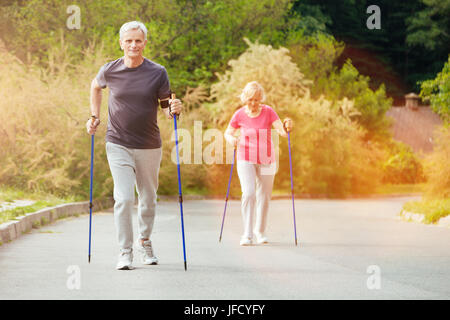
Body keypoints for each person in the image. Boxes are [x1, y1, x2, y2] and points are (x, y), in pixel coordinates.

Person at [86, 21, 182, 270]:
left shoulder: (157, 72)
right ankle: (125, 251)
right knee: (124, 198)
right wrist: (94, 116)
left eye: (138, 40)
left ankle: (145, 240)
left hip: (149, 145)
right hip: (117, 143)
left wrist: (175, 109)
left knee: (148, 199)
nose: (133, 45)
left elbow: (165, 106)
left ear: (145, 43)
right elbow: (95, 86)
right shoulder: (110, 70)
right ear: (121, 43)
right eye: (128, 40)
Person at [224, 81, 292, 246]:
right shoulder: (239, 114)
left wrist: (287, 126)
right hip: (245, 157)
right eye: (250, 99)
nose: (254, 103)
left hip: (267, 159)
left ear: (261, 99)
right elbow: (228, 132)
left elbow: (282, 132)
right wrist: (232, 139)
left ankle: (260, 231)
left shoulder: (268, 112)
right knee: (248, 193)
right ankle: (247, 234)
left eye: (257, 99)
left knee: (265, 196)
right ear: (245, 98)